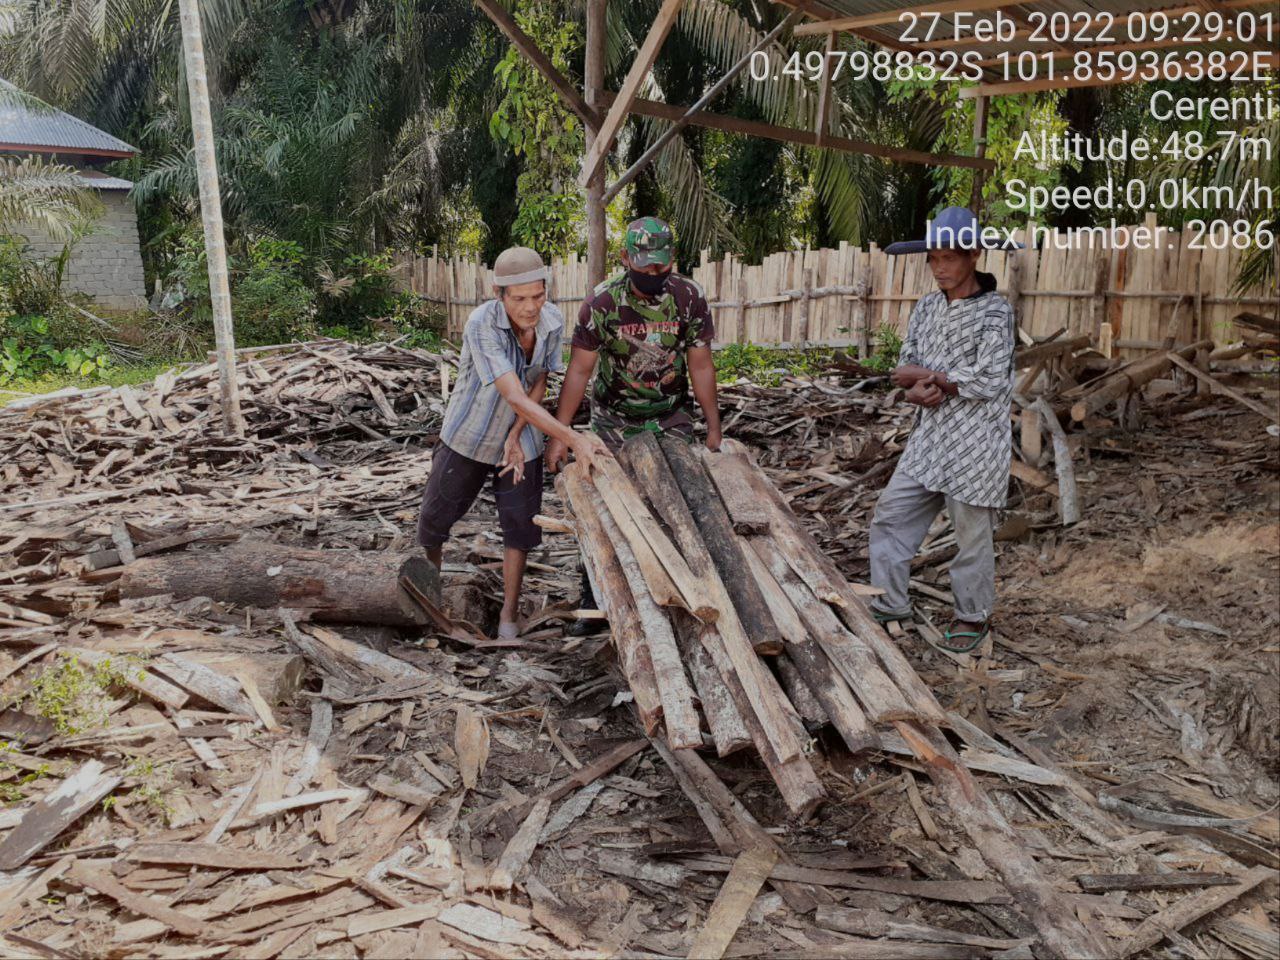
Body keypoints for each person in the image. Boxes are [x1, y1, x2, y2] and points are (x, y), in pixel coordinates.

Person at [416, 246, 611, 640]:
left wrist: (517, 435)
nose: (530, 307)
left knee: (519, 527)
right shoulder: (481, 324)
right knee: (434, 522)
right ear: (499, 294)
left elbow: (538, 381)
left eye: (538, 296)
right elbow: (513, 394)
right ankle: (425, 601)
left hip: (523, 437)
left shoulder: (552, 322)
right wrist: (571, 437)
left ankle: (508, 616)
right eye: (519, 299)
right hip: (468, 435)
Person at [546, 217, 722, 634]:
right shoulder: (602, 304)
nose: (653, 275)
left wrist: (714, 427)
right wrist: (561, 434)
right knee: (603, 507)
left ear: (672, 261)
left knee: (676, 503)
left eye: (661, 267)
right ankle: (596, 599)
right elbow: (578, 373)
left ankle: (682, 593)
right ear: (625, 258)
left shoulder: (688, 298)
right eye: (644, 266)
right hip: (612, 420)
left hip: (670, 416)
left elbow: (701, 365)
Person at [867, 206, 1019, 652]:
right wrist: (918, 388)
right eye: (933, 259)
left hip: (976, 446)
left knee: (971, 539)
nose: (939, 268)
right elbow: (905, 365)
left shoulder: (995, 313)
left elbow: (990, 379)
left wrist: (936, 380)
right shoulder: (928, 306)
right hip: (929, 441)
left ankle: (972, 616)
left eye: (948, 258)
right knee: (891, 518)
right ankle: (889, 604)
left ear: (973, 256)